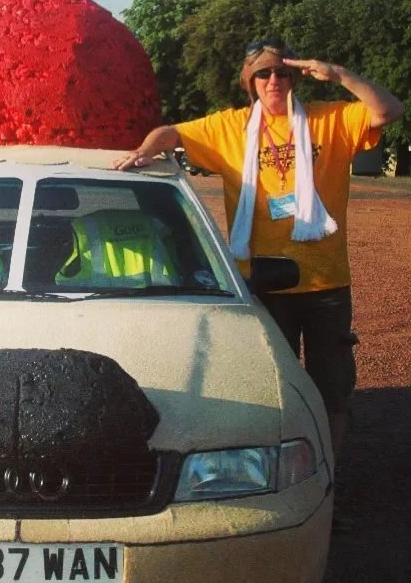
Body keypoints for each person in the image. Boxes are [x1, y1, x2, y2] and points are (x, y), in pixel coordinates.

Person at [114, 38, 403, 481]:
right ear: (250, 82)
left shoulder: (329, 120)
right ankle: (282, 481)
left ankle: (325, 484)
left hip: (326, 285)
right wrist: (146, 150)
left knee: (332, 393)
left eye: (281, 72)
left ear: (294, 77)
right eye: (263, 74)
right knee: (275, 392)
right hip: (264, 283)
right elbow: (171, 133)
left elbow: (387, 111)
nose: (273, 81)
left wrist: (340, 74)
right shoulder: (229, 127)